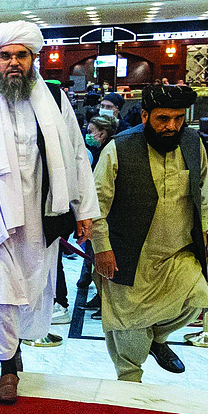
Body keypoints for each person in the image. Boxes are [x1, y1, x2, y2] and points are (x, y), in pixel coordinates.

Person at [0, 20, 99, 404]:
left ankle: (16, 347)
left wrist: (84, 209)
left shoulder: (55, 102)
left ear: (34, 59)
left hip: (40, 214)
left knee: (29, 291)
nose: (13, 63)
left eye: (21, 55)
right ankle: (6, 368)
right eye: (5, 56)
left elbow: (77, 156)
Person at [91, 85, 208, 382]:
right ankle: (128, 391)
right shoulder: (118, 147)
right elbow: (95, 205)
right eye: (163, 118)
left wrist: (206, 229)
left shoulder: (193, 144)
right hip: (130, 256)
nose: (172, 126)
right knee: (129, 337)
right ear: (145, 115)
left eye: (179, 118)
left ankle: (158, 339)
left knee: (196, 301)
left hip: (177, 253)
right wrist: (102, 249)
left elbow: (203, 193)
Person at [78, 115, 119, 299]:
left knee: (99, 261)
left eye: (90, 132)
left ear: (102, 134)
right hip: (96, 215)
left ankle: (104, 300)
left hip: (103, 217)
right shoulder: (97, 151)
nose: (87, 136)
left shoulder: (108, 152)